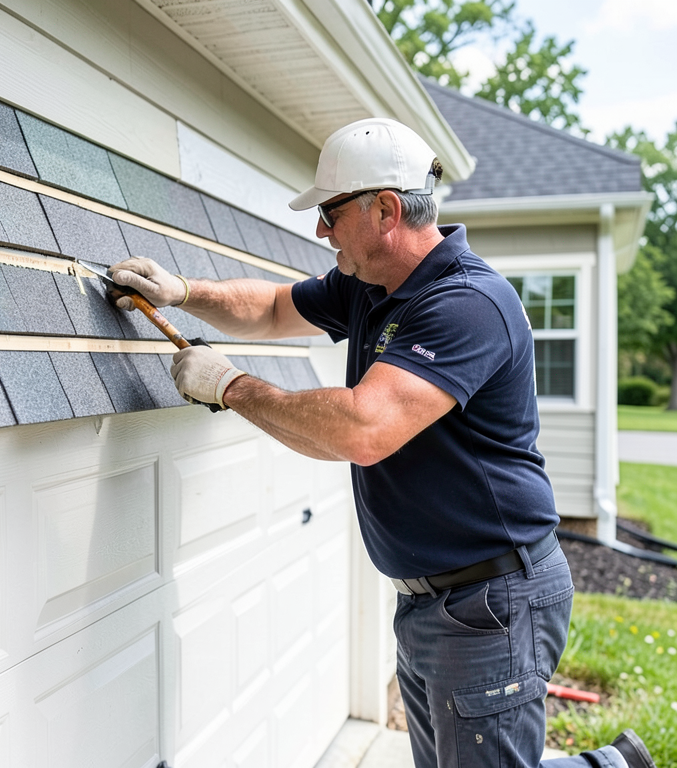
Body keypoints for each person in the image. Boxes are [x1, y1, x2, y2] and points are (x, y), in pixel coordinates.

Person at [108, 117, 656, 768]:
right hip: (434, 601)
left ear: (386, 209)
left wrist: (231, 386)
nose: (321, 230)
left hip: (494, 600)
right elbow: (275, 308)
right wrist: (183, 292)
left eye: (331, 213)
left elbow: (363, 429)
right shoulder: (371, 287)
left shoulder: (466, 304)